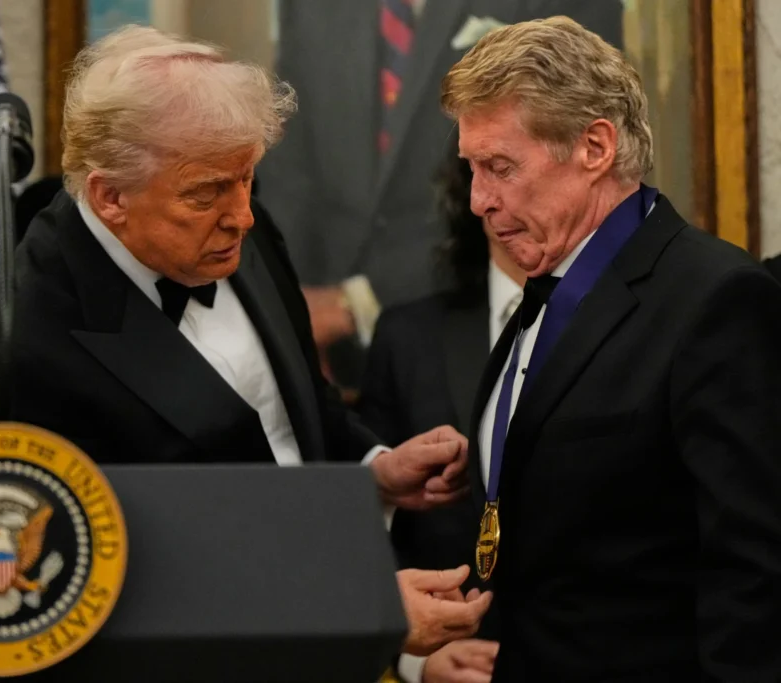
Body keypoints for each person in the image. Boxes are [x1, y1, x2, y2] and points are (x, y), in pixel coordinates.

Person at [0, 25, 491, 657]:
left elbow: (294, 407)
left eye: (248, 179)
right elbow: (78, 590)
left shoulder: (230, 220)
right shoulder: (14, 350)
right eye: (206, 193)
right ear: (109, 196)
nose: (244, 216)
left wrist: (370, 471)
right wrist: (353, 605)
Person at [441, 15, 781, 681]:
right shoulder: (547, 286)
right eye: (472, 170)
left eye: (499, 167)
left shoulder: (716, 299)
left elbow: (754, 571)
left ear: (595, 146)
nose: (479, 200)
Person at [256, 0, 623, 389]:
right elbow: (288, 172)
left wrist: (356, 301)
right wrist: (287, 311)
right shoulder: (309, 9)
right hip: (324, 357)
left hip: (483, 336)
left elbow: (565, 176)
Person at [359, 141, 524, 683]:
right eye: (488, 173)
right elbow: (371, 528)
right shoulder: (407, 337)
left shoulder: (639, 327)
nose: (497, 196)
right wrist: (412, 661)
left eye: (514, 169)